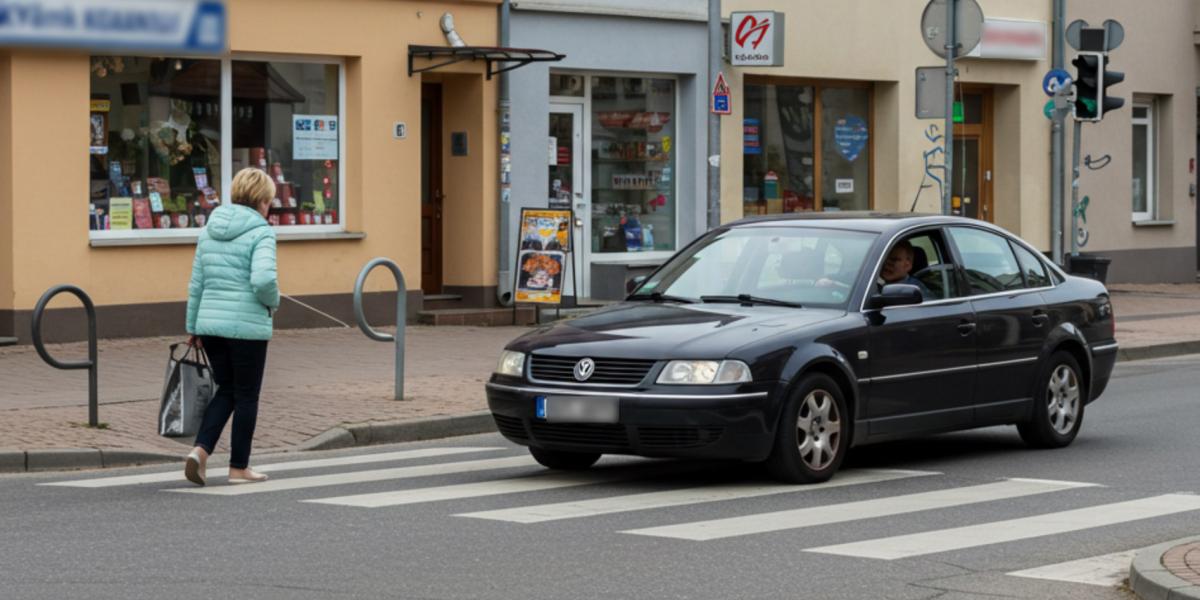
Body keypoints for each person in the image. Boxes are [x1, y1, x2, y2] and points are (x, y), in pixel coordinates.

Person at [183, 168, 280, 486]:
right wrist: (272, 301)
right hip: (247, 327)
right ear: (261, 200)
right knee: (247, 395)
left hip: (210, 326)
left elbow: (197, 283)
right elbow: (264, 279)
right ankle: (239, 466)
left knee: (226, 389)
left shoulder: (209, 230)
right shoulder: (262, 232)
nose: (270, 206)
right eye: (269, 200)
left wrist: (193, 326)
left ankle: (200, 451)